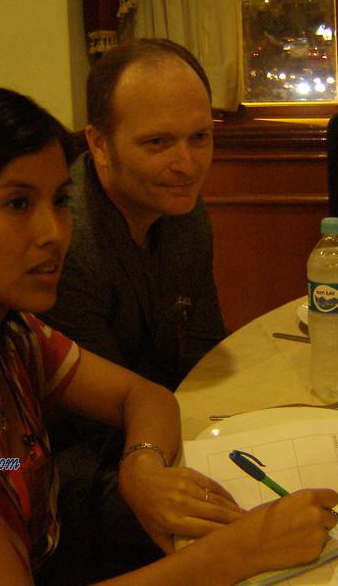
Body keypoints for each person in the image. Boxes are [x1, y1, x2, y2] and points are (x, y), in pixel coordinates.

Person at [0, 86, 338, 585]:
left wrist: (142, 469)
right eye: (18, 203)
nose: (53, 232)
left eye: (60, 201)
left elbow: (142, 395)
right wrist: (241, 551)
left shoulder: (9, 334)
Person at [36, 38, 231, 580]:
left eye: (200, 138)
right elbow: (96, 422)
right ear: (99, 144)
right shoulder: (66, 241)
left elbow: (205, 351)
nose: (186, 164)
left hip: (156, 432)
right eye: (158, 142)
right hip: (72, 474)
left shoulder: (183, 210)